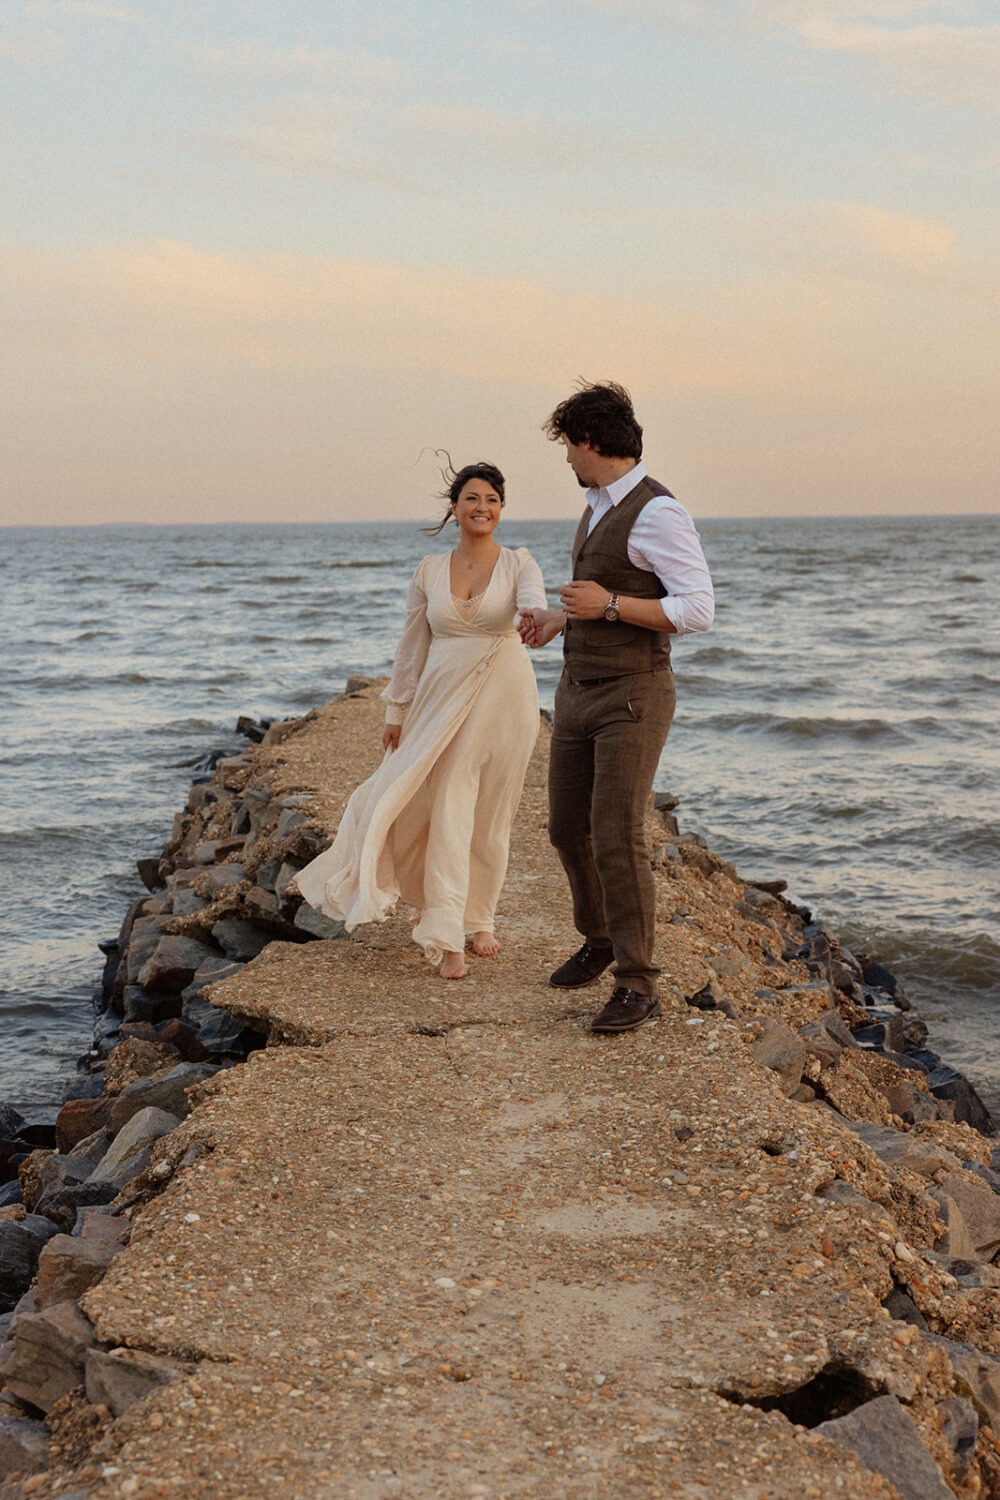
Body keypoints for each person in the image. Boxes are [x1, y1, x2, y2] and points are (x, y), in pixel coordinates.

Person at [295, 461, 547, 980]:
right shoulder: (429, 570)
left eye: (493, 500)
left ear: (502, 509)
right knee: (447, 801)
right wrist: (396, 710)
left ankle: (481, 918)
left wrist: (534, 617)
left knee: (494, 812)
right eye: (473, 498)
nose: (483, 508)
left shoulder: (521, 563)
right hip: (441, 696)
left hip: (506, 694)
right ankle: (446, 930)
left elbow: (534, 606)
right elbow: (412, 646)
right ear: (454, 508)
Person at [519, 383, 714, 1032]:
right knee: (564, 829)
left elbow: (696, 609)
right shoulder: (599, 505)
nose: (567, 461)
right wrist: (557, 619)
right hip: (576, 691)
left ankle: (637, 982)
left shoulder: (659, 513)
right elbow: (600, 597)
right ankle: (599, 940)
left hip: (633, 695)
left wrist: (605, 605)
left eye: (569, 447)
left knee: (617, 838)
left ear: (592, 442)